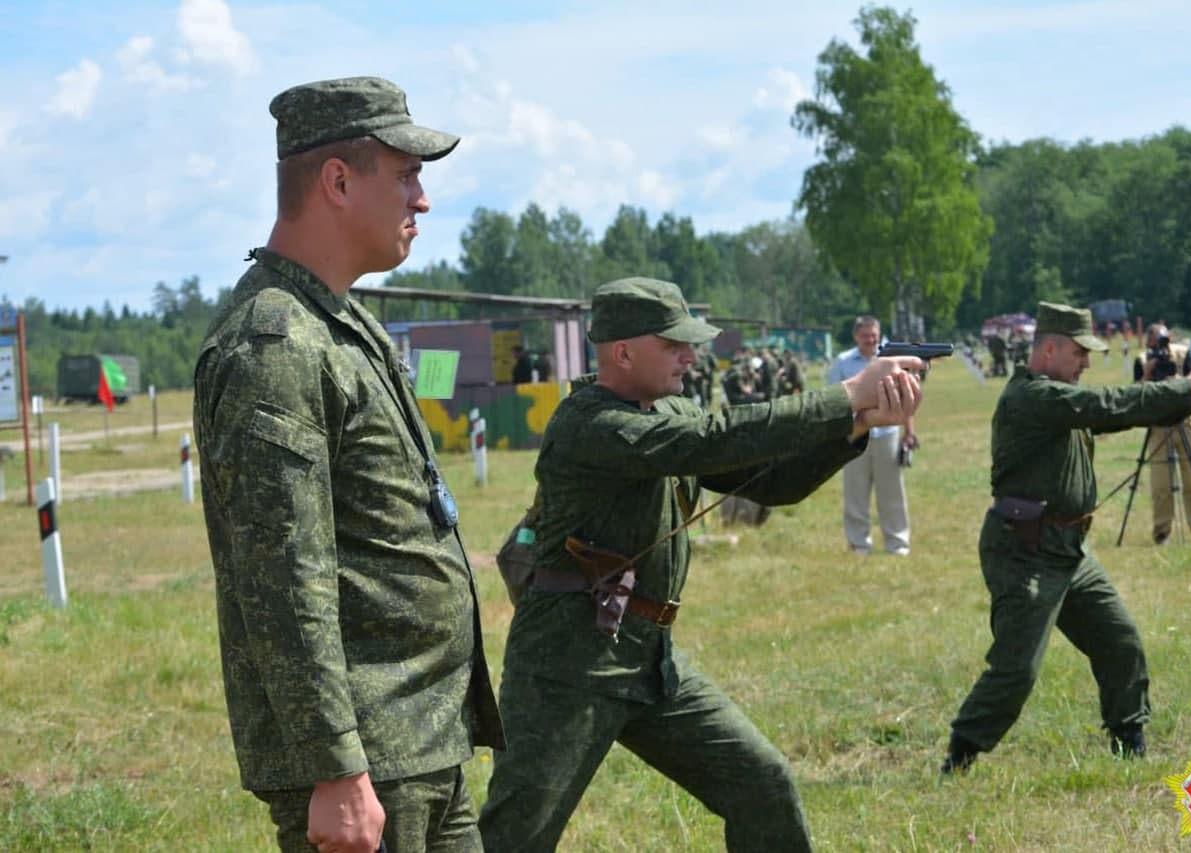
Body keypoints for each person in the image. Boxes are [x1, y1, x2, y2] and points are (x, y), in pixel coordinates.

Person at [478, 277, 924, 852]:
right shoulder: (591, 424)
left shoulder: (663, 412)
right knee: (514, 838)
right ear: (622, 352)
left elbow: (774, 484)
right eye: (674, 344)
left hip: (647, 656)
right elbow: (713, 438)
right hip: (567, 666)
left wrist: (857, 425)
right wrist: (844, 395)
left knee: (761, 784)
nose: (691, 355)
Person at [193, 76, 503, 853]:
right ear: (337, 181)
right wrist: (334, 767)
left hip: (422, 738)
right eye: (405, 173)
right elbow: (284, 575)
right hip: (366, 763)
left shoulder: (339, 321)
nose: (422, 198)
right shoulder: (275, 345)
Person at [941, 302, 1191, 775]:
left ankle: (1130, 746)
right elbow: (1110, 407)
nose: (1086, 363)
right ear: (1050, 348)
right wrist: (1189, 386)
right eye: (1080, 353)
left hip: (1071, 552)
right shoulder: (1033, 398)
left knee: (1120, 642)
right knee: (1016, 668)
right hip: (1026, 552)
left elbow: (1114, 408)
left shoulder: (1057, 392)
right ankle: (960, 755)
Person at [826, 315, 915, 556]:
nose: (871, 339)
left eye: (874, 334)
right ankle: (859, 544)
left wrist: (909, 432)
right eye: (866, 335)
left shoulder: (891, 359)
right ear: (856, 336)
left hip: (887, 434)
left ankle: (898, 543)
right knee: (855, 491)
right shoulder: (843, 362)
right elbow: (832, 399)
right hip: (855, 435)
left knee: (892, 491)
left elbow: (905, 398)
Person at [1133, 323, 1191, 543]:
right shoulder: (1141, 360)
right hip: (1159, 425)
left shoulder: (1183, 354)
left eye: (1164, 340)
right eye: (1156, 342)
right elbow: (1134, 396)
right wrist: (1147, 374)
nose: (1161, 347)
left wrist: (1181, 382)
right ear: (1148, 342)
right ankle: (1162, 532)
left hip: (1186, 422)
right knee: (1161, 484)